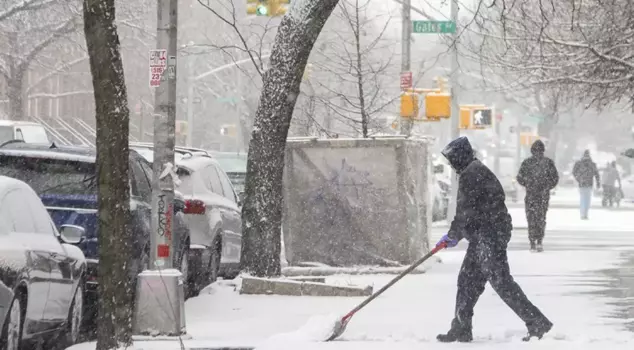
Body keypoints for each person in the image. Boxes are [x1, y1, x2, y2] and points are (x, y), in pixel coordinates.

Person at [436, 136, 553, 343]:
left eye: (452, 159)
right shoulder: (473, 170)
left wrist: (453, 235)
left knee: (501, 282)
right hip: (485, 234)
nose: (451, 164)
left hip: (489, 235)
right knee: (467, 281)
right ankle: (461, 327)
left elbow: (466, 212)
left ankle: (537, 322)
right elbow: (472, 211)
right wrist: (457, 233)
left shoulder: (471, 173)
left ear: (460, 156)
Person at [516, 140, 559, 252]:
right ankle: (539, 240)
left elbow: (519, 177)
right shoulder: (548, 163)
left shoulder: (527, 163)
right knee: (541, 218)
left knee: (531, 218)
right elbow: (555, 178)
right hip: (543, 195)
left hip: (531, 195)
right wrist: (547, 186)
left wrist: (528, 184)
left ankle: (532, 242)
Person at [572, 150, 600, 219]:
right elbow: (597, 174)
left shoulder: (579, 163)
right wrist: (598, 183)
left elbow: (574, 172)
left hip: (582, 184)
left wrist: (578, 178)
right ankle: (585, 213)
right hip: (589, 184)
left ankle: (583, 213)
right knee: (587, 200)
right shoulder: (592, 164)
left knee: (583, 199)